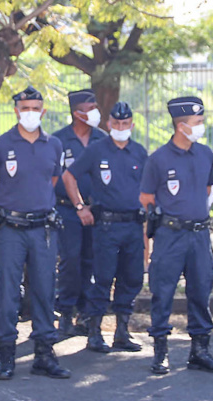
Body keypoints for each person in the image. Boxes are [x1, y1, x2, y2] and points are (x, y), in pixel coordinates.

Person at [0, 86, 70, 380]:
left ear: (43, 111)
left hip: (43, 228)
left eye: (35, 107)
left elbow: (52, 180)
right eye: (25, 107)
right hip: (10, 228)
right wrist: (13, 210)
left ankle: (44, 354)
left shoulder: (54, 145)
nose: (30, 112)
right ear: (16, 110)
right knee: (7, 292)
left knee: (45, 290)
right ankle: (6, 354)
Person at [140, 96, 213, 375]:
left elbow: (210, 189)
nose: (201, 127)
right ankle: (161, 352)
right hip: (171, 235)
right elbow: (146, 197)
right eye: (197, 123)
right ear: (181, 126)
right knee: (163, 292)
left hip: (199, 235)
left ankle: (200, 350)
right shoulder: (158, 159)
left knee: (201, 291)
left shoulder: (205, 154)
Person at [63, 102, 147, 353]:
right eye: (116, 124)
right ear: (109, 124)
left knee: (131, 278)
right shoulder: (97, 150)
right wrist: (80, 206)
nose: (121, 128)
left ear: (131, 124)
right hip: (106, 226)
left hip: (132, 225)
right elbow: (69, 175)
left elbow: (150, 186)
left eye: (125, 124)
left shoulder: (140, 152)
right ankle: (94, 331)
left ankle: (122, 331)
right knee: (102, 278)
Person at [53, 89, 108, 336]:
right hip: (66, 209)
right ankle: (65, 311)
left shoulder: (102, 139)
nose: (94, 112)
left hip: (96, 210)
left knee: (91, 260)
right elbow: (51, 176)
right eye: (89, 107)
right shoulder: (59, 140)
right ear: (76, 113)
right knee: (70, 260)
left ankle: (85, 313)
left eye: (95, 106)